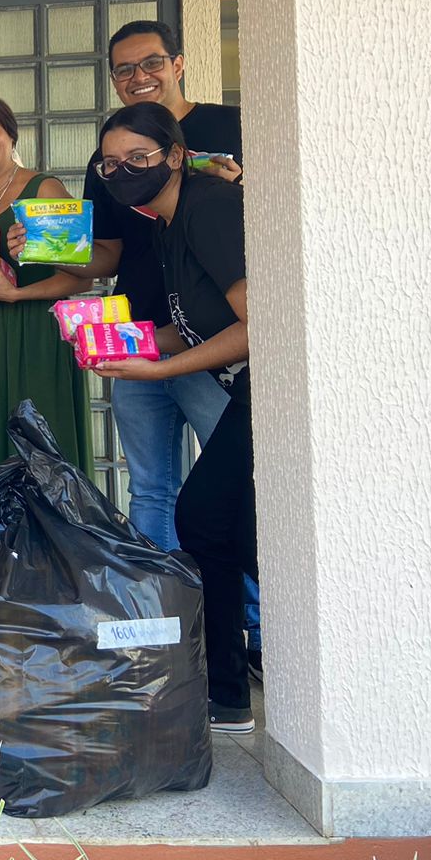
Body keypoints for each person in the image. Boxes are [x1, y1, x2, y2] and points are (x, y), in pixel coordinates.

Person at [52, 20, 259, 674]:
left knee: (240, 492)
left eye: (150, 63)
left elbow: (286, 215)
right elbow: (105, 252)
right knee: (153, 490)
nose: (138, 75)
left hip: (221, 346)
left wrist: (248, 184)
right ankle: (165, 623)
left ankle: (253, 629)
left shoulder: (229, 136)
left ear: (178, 62)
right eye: (123, 68)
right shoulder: (116, 169)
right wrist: (41, 247)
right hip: (149, 326)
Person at [91, 102, 254, 733]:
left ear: (176, 155)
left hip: (273, 394)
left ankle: (236, 683)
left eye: (140, 158)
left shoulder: (209, 208)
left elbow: (256, 324)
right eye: (111, 164)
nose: (124, 171)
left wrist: (159, 370)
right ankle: (227, 692)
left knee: (215, 522)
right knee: (218, 525)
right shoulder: (166, 224)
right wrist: (118, 347)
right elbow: (187, 327)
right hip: (243, 391)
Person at [0, 94, 92, 506]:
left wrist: (15, 293)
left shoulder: (42, 187)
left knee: (38, 444)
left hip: (34, 333)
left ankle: (49, 552)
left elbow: (80, 277)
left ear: (10, 133)